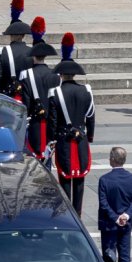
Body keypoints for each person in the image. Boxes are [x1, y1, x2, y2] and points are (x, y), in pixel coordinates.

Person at [48, 56, 95, 217]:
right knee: (80, 177)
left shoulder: (55, 93)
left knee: (65, 177)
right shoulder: (86, 91)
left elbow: (53, 120)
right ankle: (78, 213)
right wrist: (89, 136)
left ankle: (68, 213)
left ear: (61, 75)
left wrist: (52, 139)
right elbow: (90, 116)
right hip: (80, 139)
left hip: (64, 140)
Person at [98, 147, 132, 262]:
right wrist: (126, 215)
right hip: (125, 224)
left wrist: (115, 218)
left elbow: (103, 203)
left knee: (109, 255)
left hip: (109, 225)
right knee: (125, 256)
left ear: (112, 159)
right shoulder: (131, 178)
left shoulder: (104, 180)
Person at [19, 41, 61, 162]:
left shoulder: (26, 74)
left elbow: (25, 102)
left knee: (33, 157)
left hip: (34, 122)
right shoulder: (56, 75)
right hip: (50, 122)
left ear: (33, 56)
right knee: (47, 156)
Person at [0, 0, 33, 100]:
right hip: (26, 99)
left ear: (10, 35)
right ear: (23, 35)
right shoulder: (32, 52)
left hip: (7, 99)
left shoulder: (2, 52)